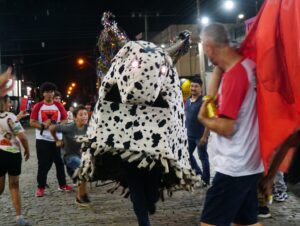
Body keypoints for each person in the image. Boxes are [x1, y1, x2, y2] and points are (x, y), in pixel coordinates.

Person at [198, 23, 264, 226]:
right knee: (246, 223)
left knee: (209, 223)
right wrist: (209, 99)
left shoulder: (234, 77)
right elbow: (219, 71)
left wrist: (205, 119)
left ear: (208, 48)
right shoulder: (248, 66)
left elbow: (227, 128)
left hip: (233, 167)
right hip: (250, 165)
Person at [30, 82, 72, 197]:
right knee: (43, 164)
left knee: (59, 163)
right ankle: (41, 187)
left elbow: (65, 120)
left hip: (57, 139)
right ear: (43, 93)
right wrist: (43, 126)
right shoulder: (38, 106)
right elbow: (32, 122)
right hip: (42, 139)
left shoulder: (58, 106)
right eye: (47, 92)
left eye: (51, 91)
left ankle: (62, 185)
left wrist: (56, 125)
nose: (50, 94)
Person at [49, 105, 90, 207]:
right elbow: (52, 128)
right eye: (81, 115)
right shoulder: (69, 127)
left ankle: (83, 194)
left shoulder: (89, 128)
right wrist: (57, 140)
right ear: (75, 117)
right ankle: (79, 197)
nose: (84, 116)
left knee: (85, 173)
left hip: (83, 157)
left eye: (85, 114)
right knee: (83, 170)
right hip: (69, 157)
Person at [0, 95, 31, 226]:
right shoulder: (10, 116)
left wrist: (17, 117)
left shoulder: (11, 117)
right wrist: (27, 149)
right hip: (12, 154)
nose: (10, 104)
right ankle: (19, 218)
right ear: (4, 103)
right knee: (14, 186)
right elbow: (22, 137)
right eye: (9, 102)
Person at [185, 76, 210, 185]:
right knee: (186, 155)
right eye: (191, 86)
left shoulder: (205, 101)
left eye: (196, 86)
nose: (193, 88)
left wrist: (205, 136)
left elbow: (209, 120)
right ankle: (198, 173)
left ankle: (206, 180)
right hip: (189, 135)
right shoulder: (187, 100)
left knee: (203, 157)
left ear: (201, 88)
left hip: (200, 136)